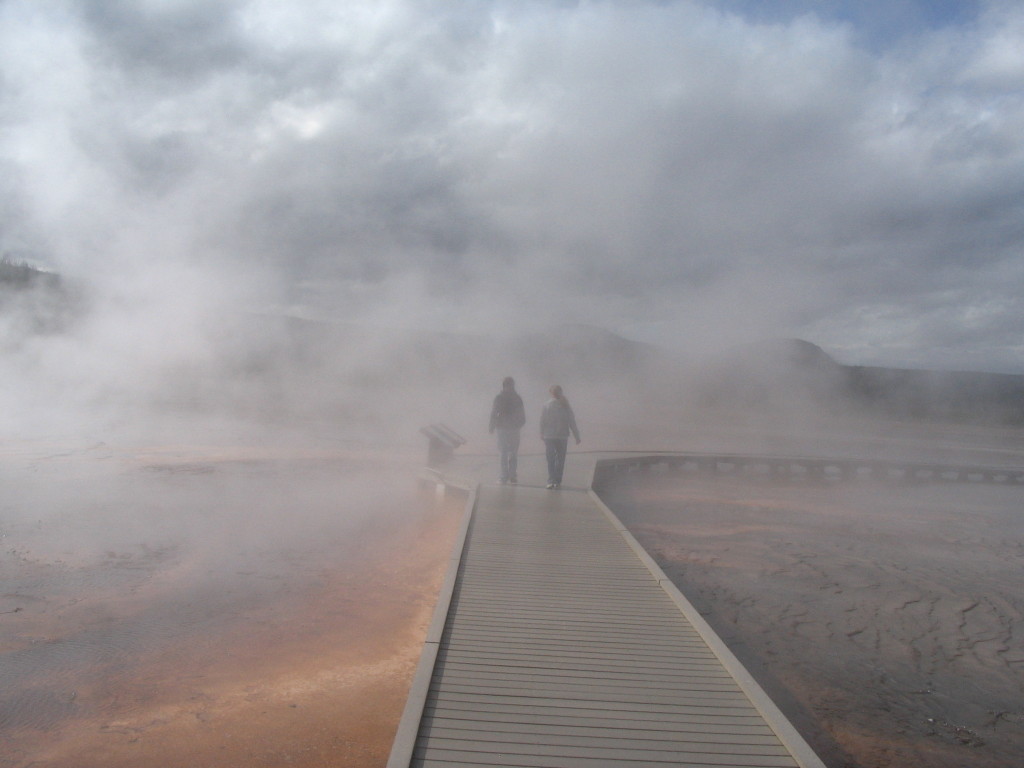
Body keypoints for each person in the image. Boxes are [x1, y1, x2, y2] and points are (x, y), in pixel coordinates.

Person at [540, 384, 580, 489]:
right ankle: (557, 481)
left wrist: (541, 432)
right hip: (562, 436)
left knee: (550, 458)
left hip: (549, 436)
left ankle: (550, 480)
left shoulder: (546, 405)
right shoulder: (566, 405)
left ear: (551, 393)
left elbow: (542, 421)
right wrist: (576, 435)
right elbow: (572, 421)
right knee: (560, 459)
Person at [489, 376, 526, 484]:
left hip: (505, 428)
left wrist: (492, 425)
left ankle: (506, 476)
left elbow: (494, 412)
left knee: (506, 452)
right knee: (509, 452)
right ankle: (510, 475)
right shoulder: (516, 397)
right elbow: (522, 414)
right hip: (509, 428)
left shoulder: (500, 397)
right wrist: (520, 423)